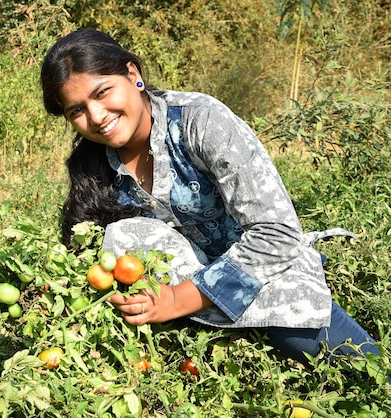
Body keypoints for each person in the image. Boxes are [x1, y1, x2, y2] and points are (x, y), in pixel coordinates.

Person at [39, 29, 382, 367]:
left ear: (133, 74)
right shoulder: (95, 164)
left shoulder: (199, 121)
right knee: (120, 236)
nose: (96, 117)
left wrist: (178, 299)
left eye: (102, 93)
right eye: (77, 111)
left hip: (256, 273)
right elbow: (87, 254)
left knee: (341, 356)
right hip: (169, 295)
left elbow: (277, 233)